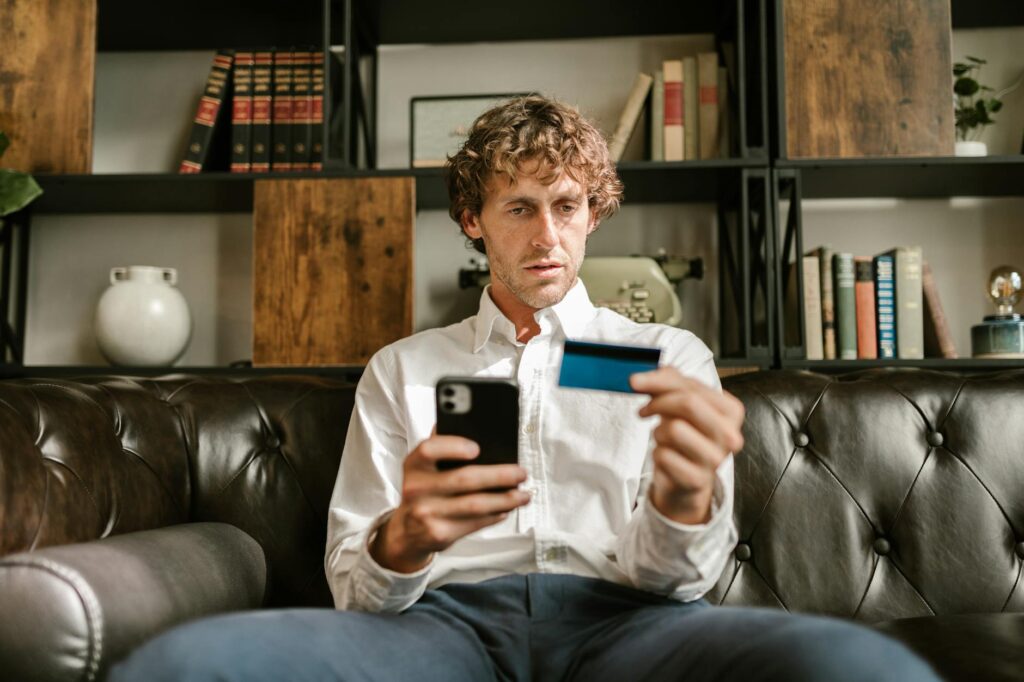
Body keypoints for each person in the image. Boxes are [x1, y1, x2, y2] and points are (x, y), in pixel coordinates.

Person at [111, 95, 938, 681]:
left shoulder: (667, 354)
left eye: (568, 206)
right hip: (445, 630)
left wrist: (685, 500)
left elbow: (677, 583)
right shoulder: (404, 370)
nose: (548, 236)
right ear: (473, 219)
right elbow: (355, 596)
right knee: (192, 663)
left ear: (594, 213)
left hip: (631, 622)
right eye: (519, 207)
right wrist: (407, 537)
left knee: (859, 663)